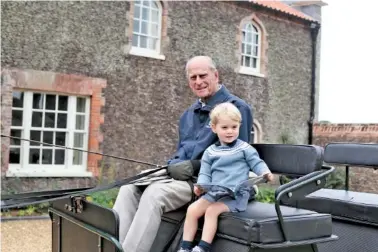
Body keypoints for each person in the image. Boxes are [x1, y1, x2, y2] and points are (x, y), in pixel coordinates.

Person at [113, 56, 253, 252]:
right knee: (130, 187)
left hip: (208, 184)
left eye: (203, 75)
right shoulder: (188, 115)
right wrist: (171, 165)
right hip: (181, 179)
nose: (198, 82)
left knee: (154, 194)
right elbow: (182, 152)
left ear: (216, 75)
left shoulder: (237, 108)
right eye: (192, 77)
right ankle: (114, 248)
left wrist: (194, 167)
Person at [177, 102, 274, 252]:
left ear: (239, 126)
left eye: (234, 127)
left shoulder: (244, 148)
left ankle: (202, 247)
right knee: (192, 210)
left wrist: (265, 172)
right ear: (214, 128)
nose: (230, 131)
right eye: (224, 127)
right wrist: (201, 185)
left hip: (236, 194)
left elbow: (257, 163)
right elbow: (205, 172)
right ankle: (185, 247)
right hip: (217, 192)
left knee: (212, 211)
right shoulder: (210, 152)